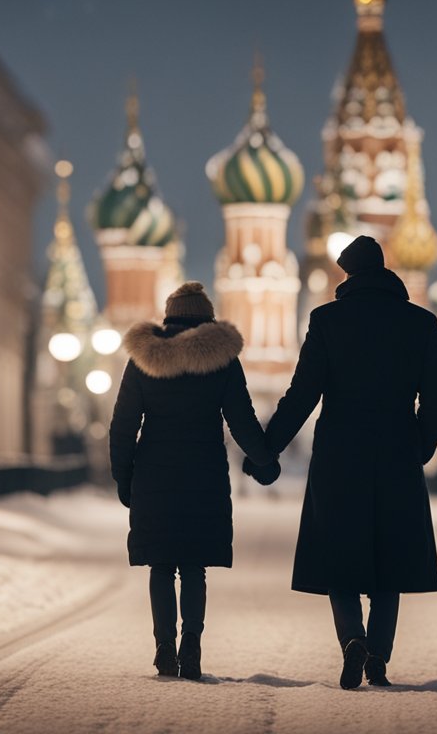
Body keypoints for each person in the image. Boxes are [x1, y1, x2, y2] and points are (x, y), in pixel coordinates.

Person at [265, 236, 437, 690]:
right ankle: (379, 655)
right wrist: (420, 446)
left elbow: (302, 395)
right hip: (396, 453)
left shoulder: (327, 320)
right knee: (391, 558)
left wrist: (266, 446)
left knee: (340, 553)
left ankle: (352, 637)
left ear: (348, 274)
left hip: (339, 455)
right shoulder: (421, 323)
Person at [110, 282, 278, 681]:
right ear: (207, 319)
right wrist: (265, 461)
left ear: (169, 318)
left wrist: (124, 476)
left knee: (161, 565)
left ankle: (164, 647)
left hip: (155, 475)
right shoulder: (222, 361)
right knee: (194, 567)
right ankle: (193, 645)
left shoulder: (144, 359)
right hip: (204, 474)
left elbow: (122, 427)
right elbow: (242, 421)